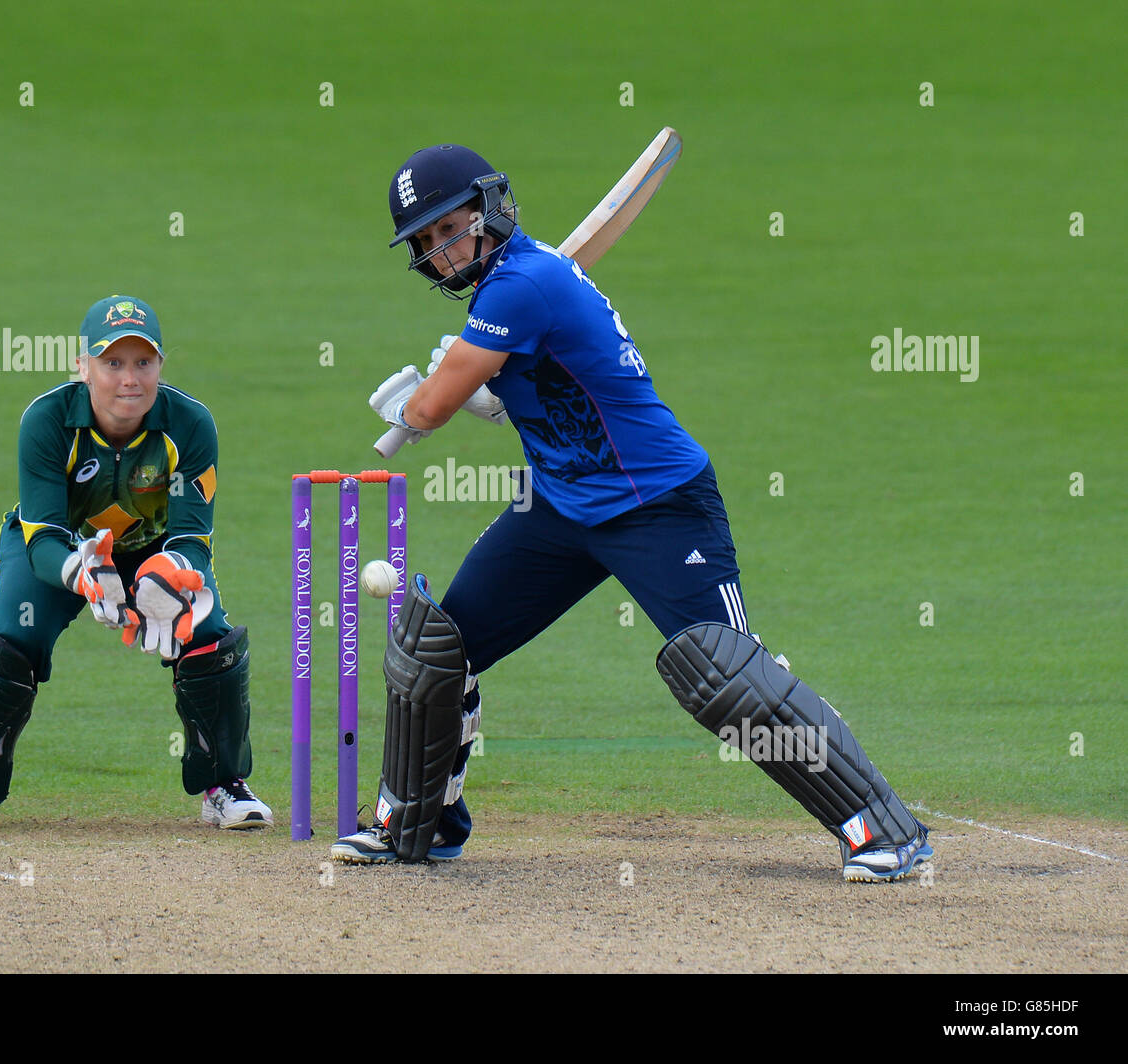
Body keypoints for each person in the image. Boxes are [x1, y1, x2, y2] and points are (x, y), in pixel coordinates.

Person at [333, 145, 932, 882]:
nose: (440, 250)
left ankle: (884, 830)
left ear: (489, 210)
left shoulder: (524, 283)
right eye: (424, 242)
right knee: (437, 650)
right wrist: (493, 388)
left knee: (727, 675)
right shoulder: (510, 291)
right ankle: (416, 825)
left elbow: (430, 407)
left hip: (658, 503)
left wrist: (418, 403)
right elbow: (551, 378)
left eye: (448, 227)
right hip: (558, 506)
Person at [0, 295, 272, 830]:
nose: (129, 379)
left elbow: (193, 538)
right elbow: (41, 540)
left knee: (206, 634)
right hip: (59, 554)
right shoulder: (46, 421)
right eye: (112, 363)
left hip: (152, 554)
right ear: (82, 366)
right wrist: (83, 573)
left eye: (143, 362)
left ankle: (224, 784)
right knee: (14, 640)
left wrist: (167, 576)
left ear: (160, 365)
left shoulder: (191, 424)